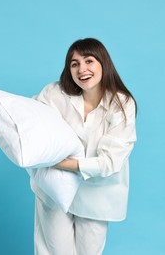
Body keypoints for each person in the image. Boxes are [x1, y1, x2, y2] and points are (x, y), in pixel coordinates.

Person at [31, 38, 137, 255]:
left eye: (89, 61)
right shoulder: (54, 94)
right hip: (55, 188)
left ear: (103, 64)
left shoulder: (121, 104)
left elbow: (109, 162)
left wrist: (59, 163)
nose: (82, 69)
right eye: (74, 63)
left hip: (97, 194)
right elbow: (32, 124)